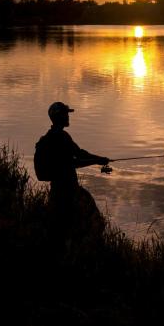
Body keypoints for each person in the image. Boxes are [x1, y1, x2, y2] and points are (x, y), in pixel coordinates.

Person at [35, 101, 110, 242]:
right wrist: (96, 161)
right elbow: (73, 163)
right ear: (59, 117)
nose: (68, 117)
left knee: (64, 228)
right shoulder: (58, 139)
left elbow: (80, 153)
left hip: (60, 190)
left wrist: (99, 159)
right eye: (66, 114)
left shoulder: (61, 136)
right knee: (84, 224)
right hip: (66, 192)